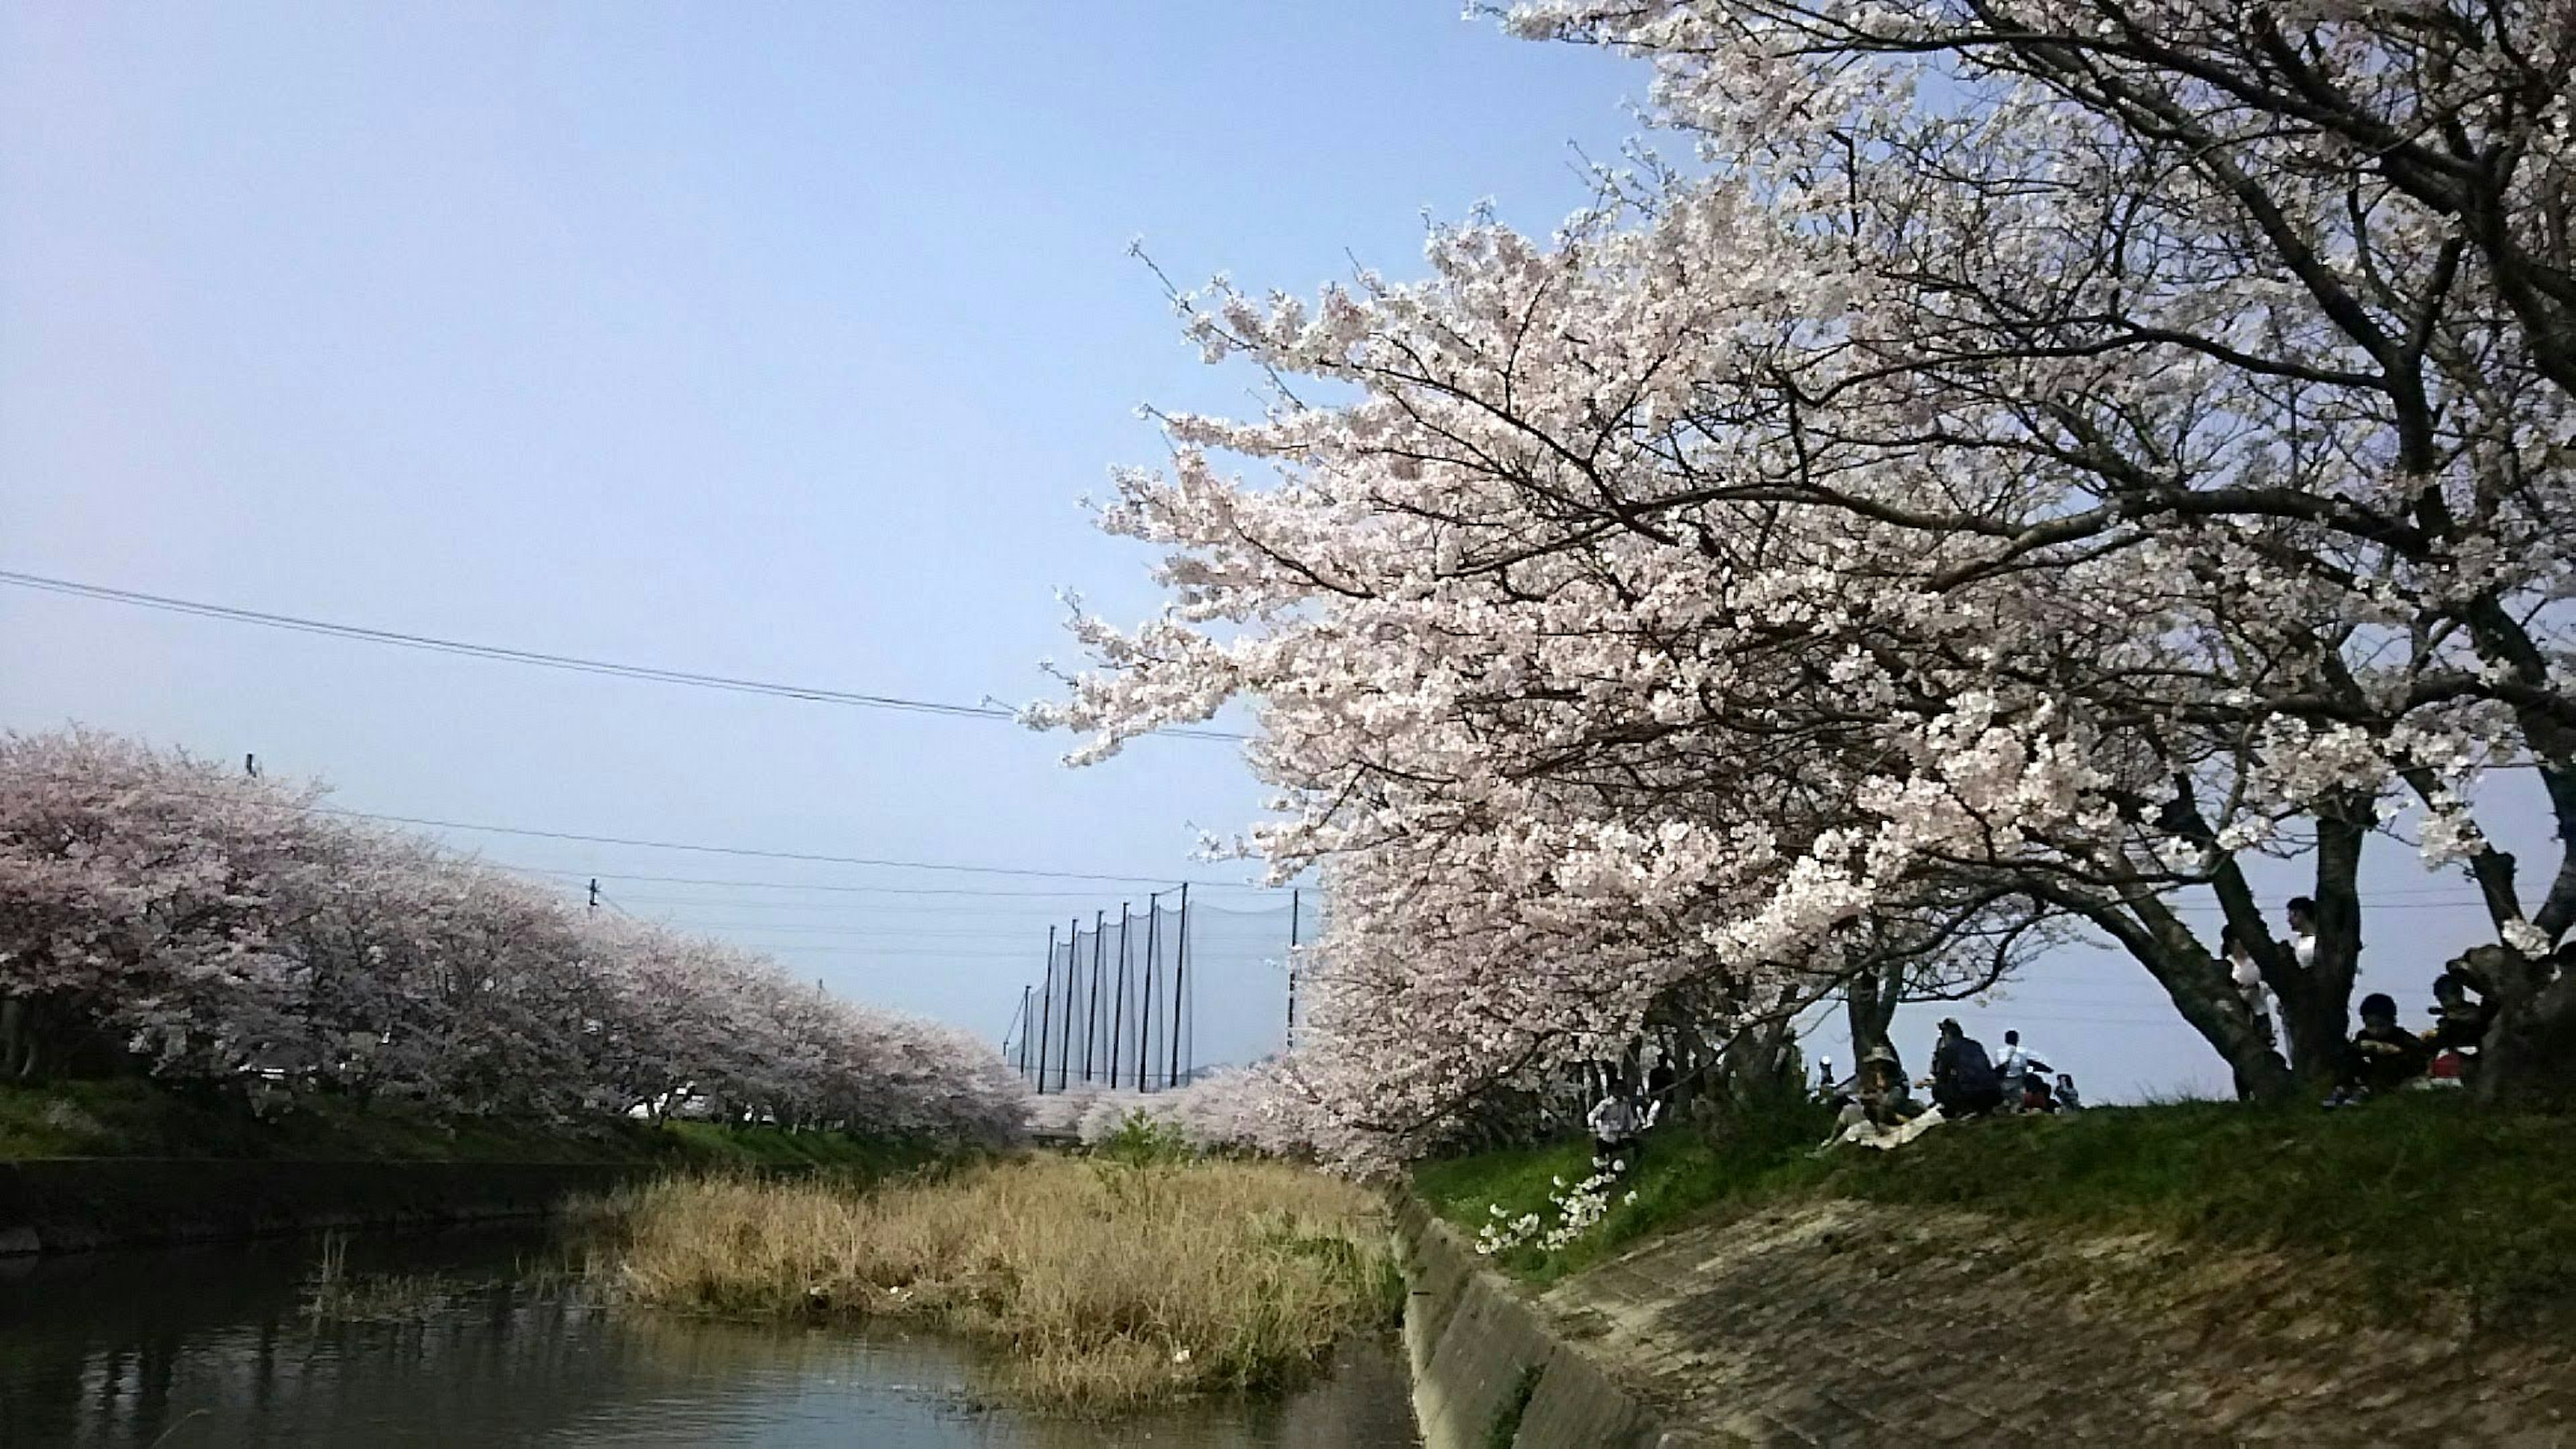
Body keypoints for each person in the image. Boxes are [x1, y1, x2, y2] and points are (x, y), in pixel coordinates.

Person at [2324, 992, 2432, 1107]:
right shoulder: (2363, 1035)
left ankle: (2367, 1091)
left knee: (2387, 1065)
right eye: (2370, 1025)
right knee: (2349, 1060)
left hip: (2391, 1074)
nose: (2376, 1031)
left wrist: (2395, 1051)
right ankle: (2342, 1088)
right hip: (2369, 1070)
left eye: (2381, 1025)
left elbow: (2419, 1054)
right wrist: (2361, 1047)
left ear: (2392, 1021)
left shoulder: (2401, 1036)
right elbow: (2349, 1051)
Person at [1929, 1018, 2005, 1117]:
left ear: (1947, 1036)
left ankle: (1958, 1111)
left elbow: (1942, 1078)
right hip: (1994, 1093)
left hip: (1971, 1096)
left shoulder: (1948, 1050)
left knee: (1938, 1089)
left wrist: (1931, 1083)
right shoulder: (1976, 1045)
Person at [2221, 925, 2277, 1046]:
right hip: (2239, 1012)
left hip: (2259, 1010)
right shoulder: (2227, 965)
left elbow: (2271, 985)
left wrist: (2257, 987)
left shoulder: (2256, 962)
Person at [1587, 1089, 1642, 1167]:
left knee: (1634, 1146)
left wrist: (1635, 1128)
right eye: (1617, 1089)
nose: (1619, 1092)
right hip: (1607, 1135)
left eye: (1621, 1089)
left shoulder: (1625, 1105)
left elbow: (1631, 1119)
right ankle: (1604, 1169)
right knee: (1604, 1155)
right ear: (1612, 1091)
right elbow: (1592, 1115)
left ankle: (1632, 1167)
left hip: (1621, 1135)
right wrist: (1592, 1127)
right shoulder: (1605, 1104)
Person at [2286, 897, 2319, 969]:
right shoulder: (2295, 941)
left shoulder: (2318, 944)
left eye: (2293, 915)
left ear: (2301, 914)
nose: (2288, 920)